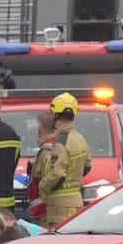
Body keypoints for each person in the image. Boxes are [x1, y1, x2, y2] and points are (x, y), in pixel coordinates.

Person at [42, 93, 90, 225]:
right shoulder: (80, 138)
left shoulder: (61, 141)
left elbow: (57, 174)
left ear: (55, 114)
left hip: (60, 207)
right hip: (76, 201)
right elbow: (87, 167)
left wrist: (42, 187)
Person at [30, 111, 80, 226]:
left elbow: (53, 176)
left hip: (45, 210)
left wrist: (42, 188)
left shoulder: (47, 150)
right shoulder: (65, 143)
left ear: (40, 129)